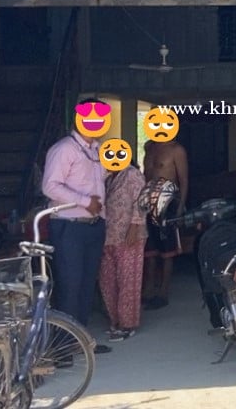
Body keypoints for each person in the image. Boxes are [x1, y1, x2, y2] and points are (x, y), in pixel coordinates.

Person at [42, 98, 112, 354]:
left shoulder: (97, 150)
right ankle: (61, 346)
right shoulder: (64, 149)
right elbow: (50, 186)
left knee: (85, 285)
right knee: (70, 285)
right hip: (69, 226)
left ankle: (80, 341)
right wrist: (85, 202)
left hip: (93, 225)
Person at [99, 160, 147, 342]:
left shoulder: (132, 174)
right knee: (107, 280)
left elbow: (141, 202)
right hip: (108, 236)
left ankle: (127, 325)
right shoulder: (108, 177)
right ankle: (116, 320)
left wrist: (135, 226)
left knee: (128, 280)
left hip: (129, 235)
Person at [142, 138, 189, 310]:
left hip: (168, 204)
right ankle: (148, 290)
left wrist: (180, 208)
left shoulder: (177, 150)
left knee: (167, 250)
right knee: (150, 250)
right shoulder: (149, 147)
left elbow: (183, 180)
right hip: (148, 203)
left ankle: (163, 293)